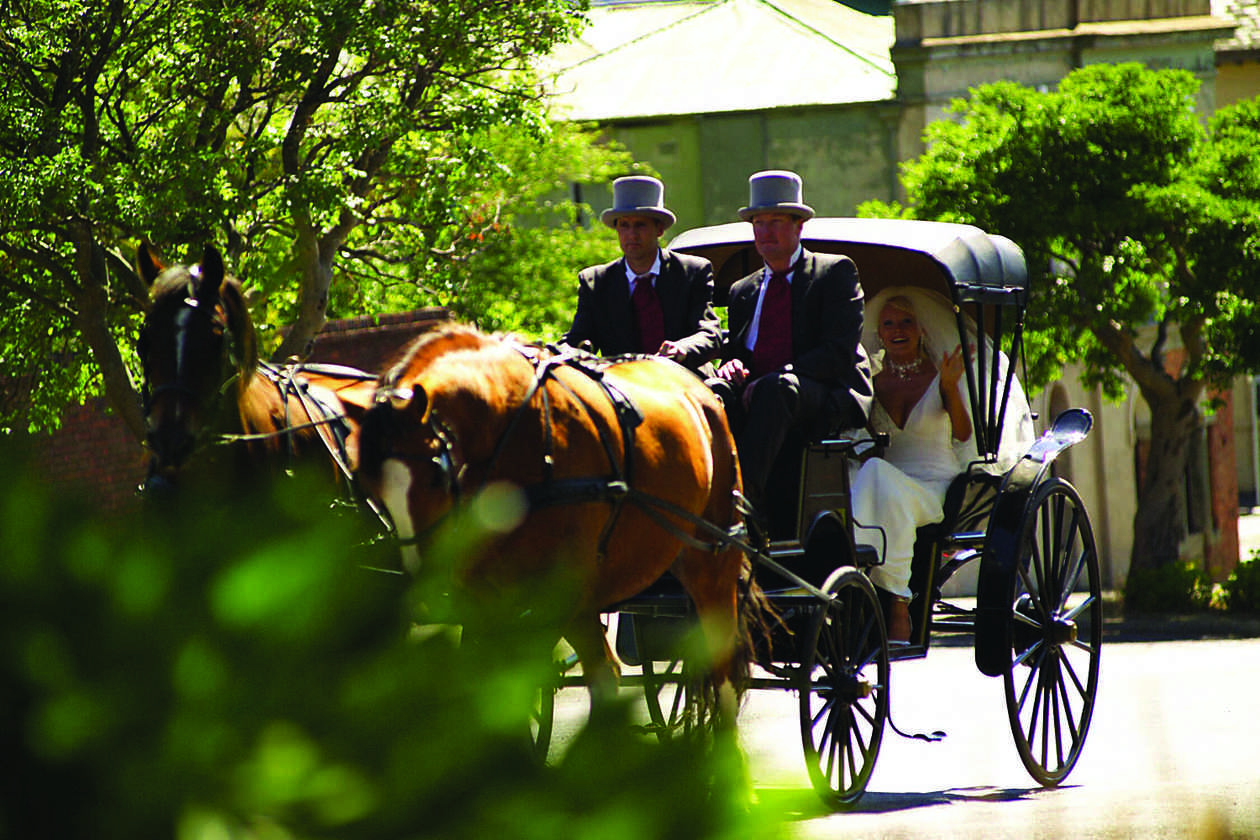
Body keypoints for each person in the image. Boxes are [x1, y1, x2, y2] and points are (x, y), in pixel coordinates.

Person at [852, 285, 1034, 643]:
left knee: (874, 475)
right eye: (888, 323)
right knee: (865, 475)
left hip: (935, 484)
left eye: (906, 321)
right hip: (888, 483)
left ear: (921, 329)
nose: (898, 329)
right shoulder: (871, 384)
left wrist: (950, 387)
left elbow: (965, 435)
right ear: (880, 332)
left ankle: (899, 603)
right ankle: (855, 583)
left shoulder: (942, 374)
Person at [709, 170, 873, 528]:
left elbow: (836, 353)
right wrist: (731, 367)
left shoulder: (834, 272)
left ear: (799, 226)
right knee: (710, 394)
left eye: (775, 222)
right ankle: (701, 489)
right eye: (758, 223)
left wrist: (778, 375)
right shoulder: (742, 290)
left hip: (824, 390)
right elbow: (738, 351)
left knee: (778, 387)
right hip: (763, 391)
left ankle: (744, 497)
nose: (765, 232)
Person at [562, 175, 722, 374]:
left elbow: (710, 333)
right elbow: (577, 340)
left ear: (660, 229)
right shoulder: (596, 282)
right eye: (624, 226)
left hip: (684, 377)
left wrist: (682, 349)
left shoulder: (692, 272)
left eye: (640, 225)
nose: (632, 235)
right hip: (625, 388)